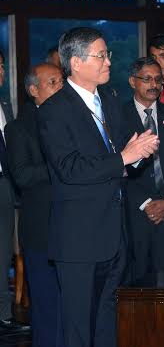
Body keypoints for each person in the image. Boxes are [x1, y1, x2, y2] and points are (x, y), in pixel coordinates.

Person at [38, 27, 159, 347]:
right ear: (76, 62)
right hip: (78, 239)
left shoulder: (109, 101)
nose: (109, 61)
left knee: (108, 323)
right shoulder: (54, 110)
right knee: (78, 327)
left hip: (114, 235)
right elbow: (70, 169)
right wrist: (124, 157)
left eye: (107, 55)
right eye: (101, 55)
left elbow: (120, 161)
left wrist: (136, 155)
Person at [5, 63, 64, 345]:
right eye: (53, 82)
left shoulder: (76, 120)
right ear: (33, 91)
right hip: (42, 229)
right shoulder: (20, 128)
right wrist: (61, 167)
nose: (61, 87)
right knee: (46, 307)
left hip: (76, 227)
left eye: (62, 81)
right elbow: (23, 175)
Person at [123, 57, 164, 282]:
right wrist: (146, 204)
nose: (153, 85)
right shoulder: (117, 118)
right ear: (133, 81)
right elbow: (116, 166)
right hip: (135, 213)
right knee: (136, 280)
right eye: (147, 79)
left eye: (158, 80)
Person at [0, 50, 26, 332]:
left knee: (3, 252)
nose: (1, 72)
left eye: (2, 66)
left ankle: (4, 314)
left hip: (4, 185)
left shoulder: (5, 105)